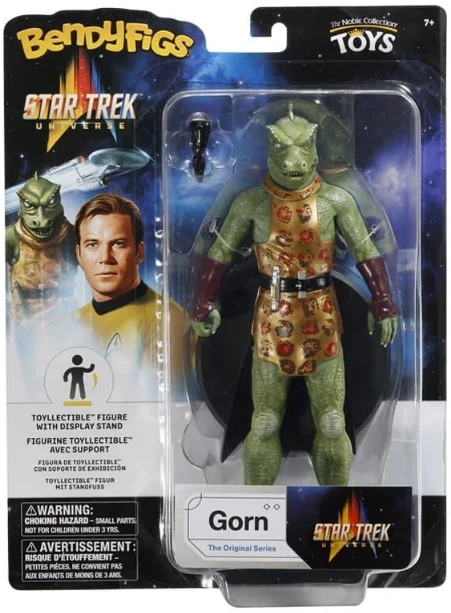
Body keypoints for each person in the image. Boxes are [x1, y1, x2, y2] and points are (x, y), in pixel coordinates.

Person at [74, 193, 185, 383]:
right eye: (92, 244)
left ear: (139, 252)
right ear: (79, 255)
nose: (105, 258)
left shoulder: (167, 321)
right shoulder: (66, 324)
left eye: (118, 244)